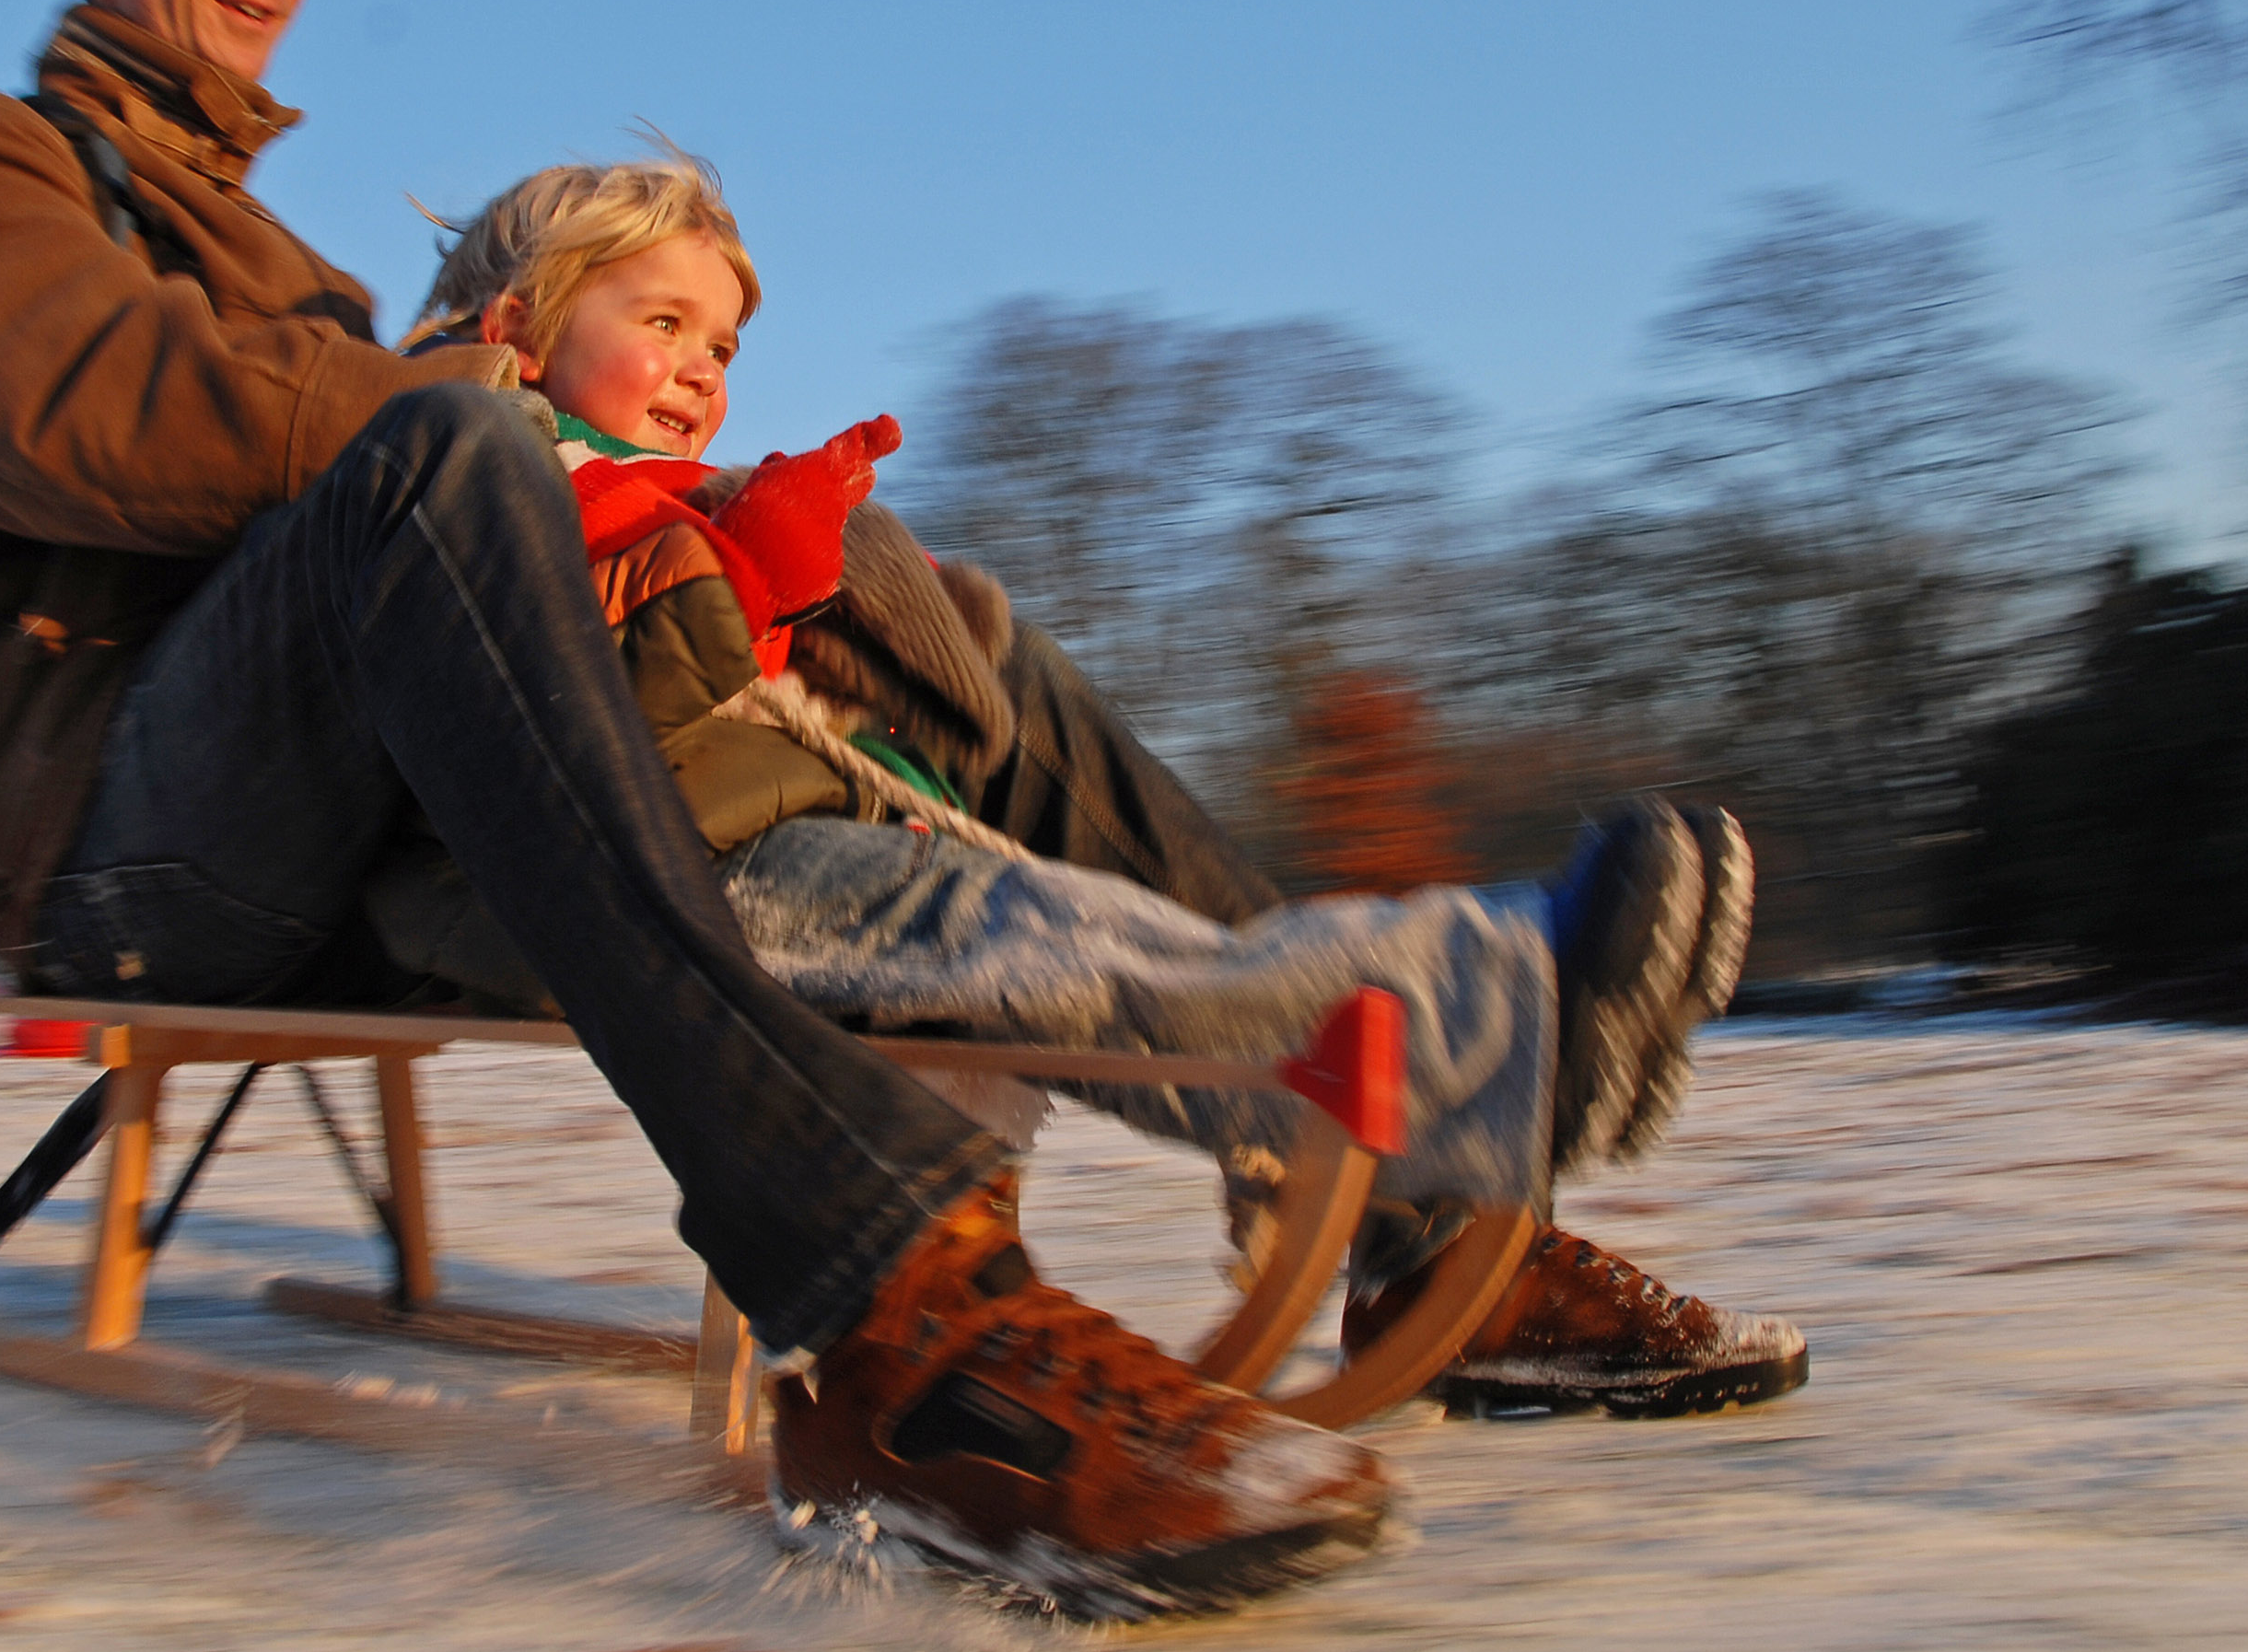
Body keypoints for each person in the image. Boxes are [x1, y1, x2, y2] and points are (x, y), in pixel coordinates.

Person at [0, 0, 1766, 1623]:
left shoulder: (304, 293)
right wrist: (489, 418)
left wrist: (786, 582)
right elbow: (68, 409)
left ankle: (1409, 1206)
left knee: (954, 630)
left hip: (376, 825)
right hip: (135, 862)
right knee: (462, 463)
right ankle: (897, 1318)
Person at [409, 157, 1815, 1420]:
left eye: (720, 343)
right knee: (1063, 955)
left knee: (1083, 926)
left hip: (799, 826)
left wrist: (875, 626)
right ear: (520, 325)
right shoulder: (478, 477)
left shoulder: (625, 484)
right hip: (669, 873)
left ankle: (1455, 1107)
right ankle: (1490, 1021)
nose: (703, 370)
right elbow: (543, 725)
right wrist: (748, 578)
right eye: (661, 325)